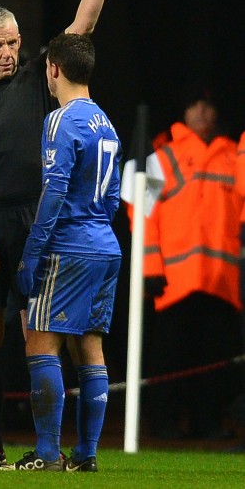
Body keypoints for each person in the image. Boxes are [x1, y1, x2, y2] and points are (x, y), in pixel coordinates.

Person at [0, 0, 124, 468]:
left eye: (14, 42)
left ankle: (48, 449)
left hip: (38, 220)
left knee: (41, 333)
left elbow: (82, 29)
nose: (10, 53)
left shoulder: (41, 80)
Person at [5, 33, 121, 472]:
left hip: (68, 245)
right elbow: (111, 197)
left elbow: (53, 192)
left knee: (41, 342)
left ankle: (48, 453)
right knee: (89, 348)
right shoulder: (105, 123)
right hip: (104, 246)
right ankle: (86, 456)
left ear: (54, 68)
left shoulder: (61, 119)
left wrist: (33, 253)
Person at [142, 92, 242, 440]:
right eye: (194, 103)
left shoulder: (235, 156)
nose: (201, 110)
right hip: (174, 281)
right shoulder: (162, 156)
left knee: (214, 360)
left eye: (209, 104)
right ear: (182, 111)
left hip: (221, 281)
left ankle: (208, 422)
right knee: (170, 357)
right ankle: (164, 423)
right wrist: (150, 266)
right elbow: (142, 214)